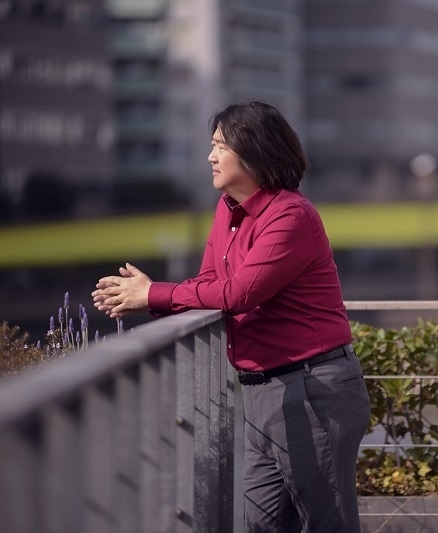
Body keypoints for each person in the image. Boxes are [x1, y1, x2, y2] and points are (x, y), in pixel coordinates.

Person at [92, 101, 371, 533]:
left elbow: (240, 293)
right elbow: (210, 281)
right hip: (262, 391)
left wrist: (153, 294)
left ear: (254, 150)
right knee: (261, 525)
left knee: (327, 524)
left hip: (314, 389)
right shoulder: (228, 210)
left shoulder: (290, 216)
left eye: (220, 146)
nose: (211, 156)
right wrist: (154, 296)